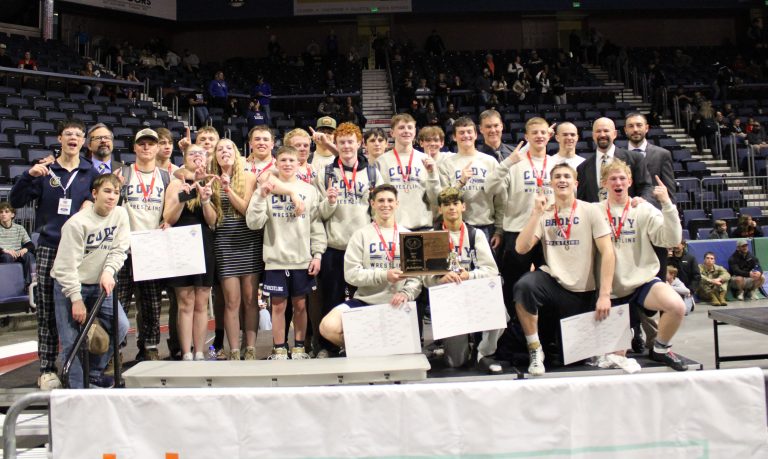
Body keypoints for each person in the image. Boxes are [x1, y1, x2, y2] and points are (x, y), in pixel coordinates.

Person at [10, 119, 99, 390]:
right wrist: (29, 176)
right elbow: (14, 202)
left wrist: (93, 202)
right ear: (60, 139)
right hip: (51, 248)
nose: (74, 138)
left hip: (81, 251)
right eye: (68, 134)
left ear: (84, 142)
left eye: (79, 134)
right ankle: (48, 369)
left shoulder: (89, 171)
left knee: (78, 311)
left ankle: (78, 364)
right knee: (47, 311)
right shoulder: (47, 170)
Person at [514, 163, 614, 376]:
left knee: (568, 361)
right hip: (553, 284)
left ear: (575, 183)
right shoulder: (545, 212)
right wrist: (535, 214)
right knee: (524, 286)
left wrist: (605, 295)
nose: (562, 180)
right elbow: (521, 248)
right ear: (551, 183)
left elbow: (608, 253)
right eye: (557, 176)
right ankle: (535, 349)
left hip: (582, 292)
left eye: (567, 176)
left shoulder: (591, 210)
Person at [600, 161, 686, 371]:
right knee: (615, 360)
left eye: (622, 178)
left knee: (676, 306)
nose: (618, 182)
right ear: (604, 183)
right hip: (610, 290)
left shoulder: (644, 209)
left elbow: (671, 239)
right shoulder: (593, 211)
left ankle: (661, 348)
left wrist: (666, 203)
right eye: (612, 179)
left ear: (630, 181)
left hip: (642, 281)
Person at [246, 146, 327, 360]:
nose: (288, 164)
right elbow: (253, 223)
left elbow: (316, 225)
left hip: (302, 259)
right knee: (278, 306)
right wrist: (261, 196)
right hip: (276, 259)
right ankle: (280, 348)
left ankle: (300, 347)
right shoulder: (266, 188)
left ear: (298, 163)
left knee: (301, 305)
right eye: (283, 160)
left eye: (292, 160)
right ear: (277, 163)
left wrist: (317, 254)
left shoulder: (309, 190)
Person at [51, 174, 130, 388]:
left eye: (116, 192)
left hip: (99, 284)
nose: (112, 196)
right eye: (107, 191)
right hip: (69, 285)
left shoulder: (121, 215)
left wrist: (108, 271)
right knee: (71, 341)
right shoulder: (76, 224)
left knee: (121, 326)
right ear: (94, 194)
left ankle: (93, 374)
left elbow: (119, 249)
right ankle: (78, 389)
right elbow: (66, 267)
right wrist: (76, 299)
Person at [318, 184, 421, 347]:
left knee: (404, 349)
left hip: (398, 303)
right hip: (365, 302)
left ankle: (370, 346)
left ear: (397, 203)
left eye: (390, 200)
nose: (385, 204)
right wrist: (384, 275)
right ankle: (361, 348)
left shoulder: (408, 236)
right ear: (372, 204)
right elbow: (351, 274)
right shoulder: (361, 235)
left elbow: (416, 276)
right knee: (327, 326)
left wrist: (406, 293)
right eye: (380, 200)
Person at [315, 123, 381, 358]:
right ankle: (328, 346)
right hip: (334, 246)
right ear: (336, 144)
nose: (346, 146)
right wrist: (330, 202)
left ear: (359, 143)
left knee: (362, 300)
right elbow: (318, 214)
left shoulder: (372, 172)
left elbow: (379, 211)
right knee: (330, 299)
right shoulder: (325, 172)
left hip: (362, 249)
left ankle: (362, 345)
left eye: (350, 141)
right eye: (341, 141)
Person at [485, 118, 556, 318]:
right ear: (526, 136)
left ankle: (543, 330)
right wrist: (507, 162)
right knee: (514, 283)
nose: (539, 136)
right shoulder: (515, 163)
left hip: (548, 232)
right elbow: (489, 187)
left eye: (543, 132)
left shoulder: (556, 163)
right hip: (517, 231)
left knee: (549, 282)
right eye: (534, 132)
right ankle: (516, 328)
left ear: (549, 135)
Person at [423, 187, 500, 369]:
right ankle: (455, 349)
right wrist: (439, 280)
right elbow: (424, 280)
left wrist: (469, 275)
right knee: (457, 363)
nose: (452, 208)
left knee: (500, 311)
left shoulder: (476, 234)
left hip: (474, 294)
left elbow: (492, 270)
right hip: (448, 299)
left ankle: (483, 352)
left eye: (455, 203)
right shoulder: (432, 236)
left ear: (463, 206)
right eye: (446, 205)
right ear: (440, 209)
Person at [116, 129, 172, 361]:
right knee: (118, 301)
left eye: (151, 143)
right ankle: (115, 350)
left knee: (151, 303)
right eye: (142, 144)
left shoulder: (166, 177)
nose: (147, 147)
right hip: (124, 247)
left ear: (158, 148)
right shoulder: (123, 173)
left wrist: (169, 221)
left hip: (151, 247)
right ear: (135, 148)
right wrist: (117, 188)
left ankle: (149, 347)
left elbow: (171, 210)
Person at [163, 145, 219, 361]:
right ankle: (186, 352)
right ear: (184, 158)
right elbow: (169, 218)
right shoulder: (176, 183)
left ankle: (199, 351)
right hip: (181, 243)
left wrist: (204, 199)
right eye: (192, 154)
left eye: (201, 154)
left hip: (204, 243)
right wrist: (183, 198)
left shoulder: (209, 181)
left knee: (201, 302)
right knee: (185, 301)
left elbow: (212, 221)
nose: (197, 157)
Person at [210, 139, 261, 360]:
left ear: (236, 152)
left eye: (229, 148)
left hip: (248, 242)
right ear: (215, 156)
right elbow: (212, 219)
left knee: (250, 300)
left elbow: (246, 210)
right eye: (219, 149)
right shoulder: (211, 180)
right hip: (224, 244)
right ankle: (232, 350)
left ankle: (249, 348)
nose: (224, 152)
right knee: (232, 301)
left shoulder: (248, 177)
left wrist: (228, 189)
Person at [438, 117, 503, 243]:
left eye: (469, 132)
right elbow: (444, 200)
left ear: (476, 135)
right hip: (457, 227)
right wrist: (460, 182)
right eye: (461, 133)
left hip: (487, 226)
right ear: (454, 137)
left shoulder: (490, 162)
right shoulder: (446, 164)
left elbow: (500, 198)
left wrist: (499, 230)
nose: (466, 135)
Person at [375, 113, 439, 231]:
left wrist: (432, 174)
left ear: (415, 132)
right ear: (392, 133)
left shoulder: (426, 160)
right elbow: (377, 199)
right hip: (392, 228)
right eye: (401, 127)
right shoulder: (381, 162)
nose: (406, 131)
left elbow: (435, 199)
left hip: (423, 227)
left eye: (410, 127)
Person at [576, 117, 652, 203]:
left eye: (606, 131)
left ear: (614, 134)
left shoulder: (635, 159)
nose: (602, 135)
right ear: (593, 135)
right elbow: (581, 200)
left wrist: (642, 199)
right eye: (598, 131)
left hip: (628, 213)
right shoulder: (583, 167)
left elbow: (646, 187)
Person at [624, 113, 676, 206]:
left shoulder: (662, 154)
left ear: (647, 128)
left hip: (654, 212)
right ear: (625, 130)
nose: (635, 129)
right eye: (631, 126)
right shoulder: (617, 155)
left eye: (639, 125)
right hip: (626, 213)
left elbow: (669, 192)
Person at [0, 202, 35, 286]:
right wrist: (4, 250)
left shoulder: (19, 228)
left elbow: (30, 244)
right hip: (3, 254)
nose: (3, 214)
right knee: (7, 257)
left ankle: (29, 285)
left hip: (17, 254)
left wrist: (24, 249)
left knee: (29, 255)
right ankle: (9, 285)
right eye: (1, 212)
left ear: (12, 215)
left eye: (6, 211)